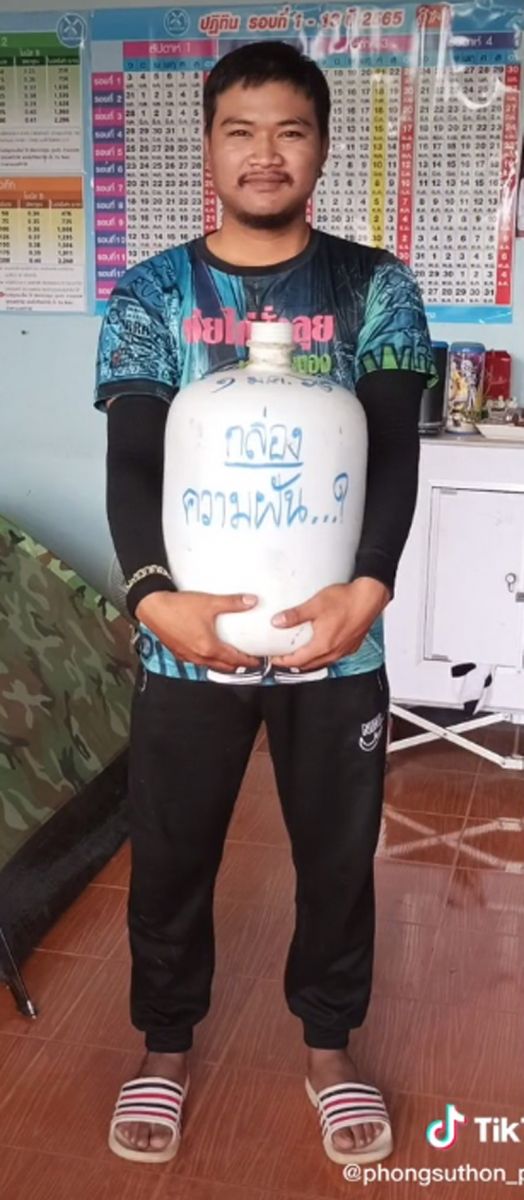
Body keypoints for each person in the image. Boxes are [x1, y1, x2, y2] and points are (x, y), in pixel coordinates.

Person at [95, 41, 436, 1167]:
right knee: (171, 849)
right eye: (240, 131)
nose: (264, 153)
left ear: (322, 148)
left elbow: (392, 454)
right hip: (187, 641)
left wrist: (367, 591)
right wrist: (155, 601)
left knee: (336, 855)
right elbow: (134, 460)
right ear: (208, 147)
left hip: (338, 639)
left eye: (289, 130)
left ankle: (329, 1048)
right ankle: (163, 1045)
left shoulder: (374, 286)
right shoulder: (153, 293)